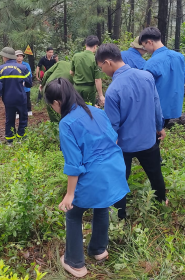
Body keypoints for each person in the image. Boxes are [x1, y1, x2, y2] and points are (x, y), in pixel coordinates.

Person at [44, 78, 129, 278]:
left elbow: (74, 164)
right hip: (115, 167)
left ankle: (75, 263)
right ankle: (98, 249)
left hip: (94, 174)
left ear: (57, 102)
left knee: (73, 213)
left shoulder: (66, 123)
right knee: (102, 205)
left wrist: (69, 194)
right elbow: (114, 137)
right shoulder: (95, 111)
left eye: (52, 105)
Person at [96, 44, 167, 219]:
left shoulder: (113, 90)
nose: (102, 71)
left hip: (124, 145)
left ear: (108, 62)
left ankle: (119, 217)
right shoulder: (147, 76)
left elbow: (112, 125)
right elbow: (157, 105)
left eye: (101, 67)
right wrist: (160, 127)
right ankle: (161, 201)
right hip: (148, 140)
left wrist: (108, 147)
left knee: (120, 180)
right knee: (155, 173)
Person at [139, 27, 185, 135]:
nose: (145, 49)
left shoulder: (151, 63)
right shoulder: (178, 57)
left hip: (156, 110)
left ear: (149, 42)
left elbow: (143, 89)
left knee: (152, 138)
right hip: (172, 108)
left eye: (144, 46)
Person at [0, 47, 32, 143]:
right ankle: (21, 138)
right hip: (21, 98)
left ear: (5, 57)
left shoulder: (0, 69)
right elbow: (29, 83)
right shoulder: (23, 68)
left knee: (9, 119)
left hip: (8, 99)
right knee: (23, 118)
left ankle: (10, 140)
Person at [70, 35, 105, 106]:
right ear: (95, 46)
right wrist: (101, 95)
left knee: (77, 107)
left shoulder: (76, 56)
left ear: (85, 45)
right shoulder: (95, 59)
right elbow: (97, 79)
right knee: (89, 108)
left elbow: (71, 72)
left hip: (76, 88)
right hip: (89, 89)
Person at [15, 50, 33, 116]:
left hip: (25, 85)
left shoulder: (26, 65)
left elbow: (29, 74)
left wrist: (25, 81)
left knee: (27, 98)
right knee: (17, 99)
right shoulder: (13, 65)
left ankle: (29, 110)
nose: (19, 57)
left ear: (23, 57)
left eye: (21, 56)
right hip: (16, 85)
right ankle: (17, 112)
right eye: (17, 56)